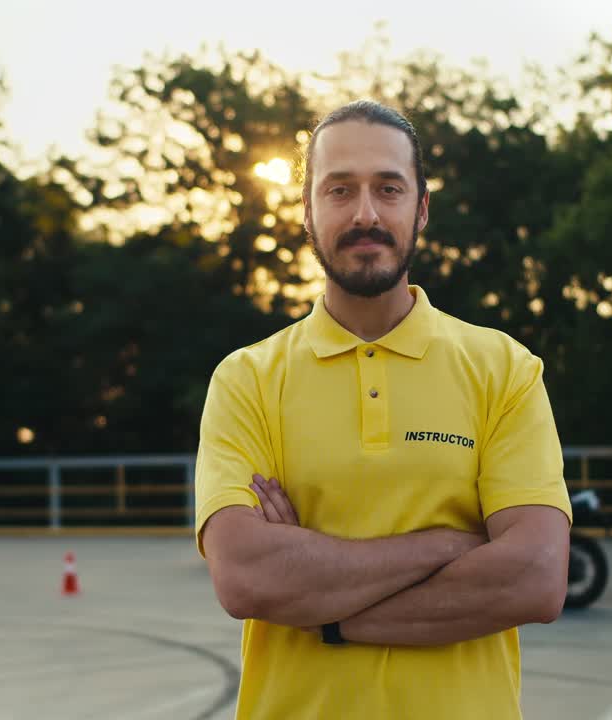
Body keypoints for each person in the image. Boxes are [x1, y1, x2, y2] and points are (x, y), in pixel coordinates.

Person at [194, 100, 572, 720]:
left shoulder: (504, 369)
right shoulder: (246, 380)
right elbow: (246, 578)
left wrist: (325, 607)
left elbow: (533, 576)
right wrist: (450, 546)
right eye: (339, 190)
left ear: (421, 207)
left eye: (388, 189)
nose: (365, 213)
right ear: (308, 211)